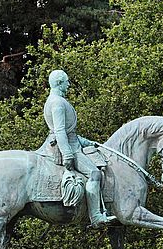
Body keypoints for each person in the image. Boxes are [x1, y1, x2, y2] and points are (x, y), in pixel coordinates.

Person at [43, 69, 114, 228]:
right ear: (60, 83)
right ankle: (95, 216)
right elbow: (60, 131)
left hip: (74, 144)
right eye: (67, 82)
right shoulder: (57, 103)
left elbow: (70, 133)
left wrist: (88, 142)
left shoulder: (57, 100)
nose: (69, 84)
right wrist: (68, 154)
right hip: (69, 149)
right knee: (95, 173)